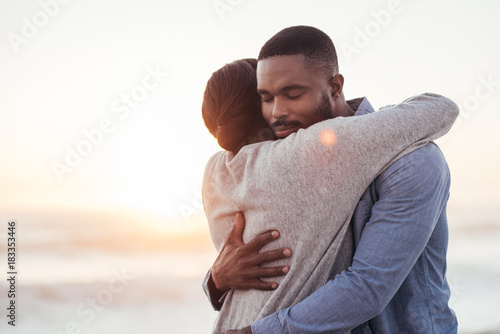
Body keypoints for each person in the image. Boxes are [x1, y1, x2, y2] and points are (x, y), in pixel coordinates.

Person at [201, 26, 458, 334]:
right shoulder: (287, 162)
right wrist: (216, 280)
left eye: (293, 94)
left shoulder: (413, 162)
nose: (277, 113)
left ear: (335, 87)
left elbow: (367, 287)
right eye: (266, 98)